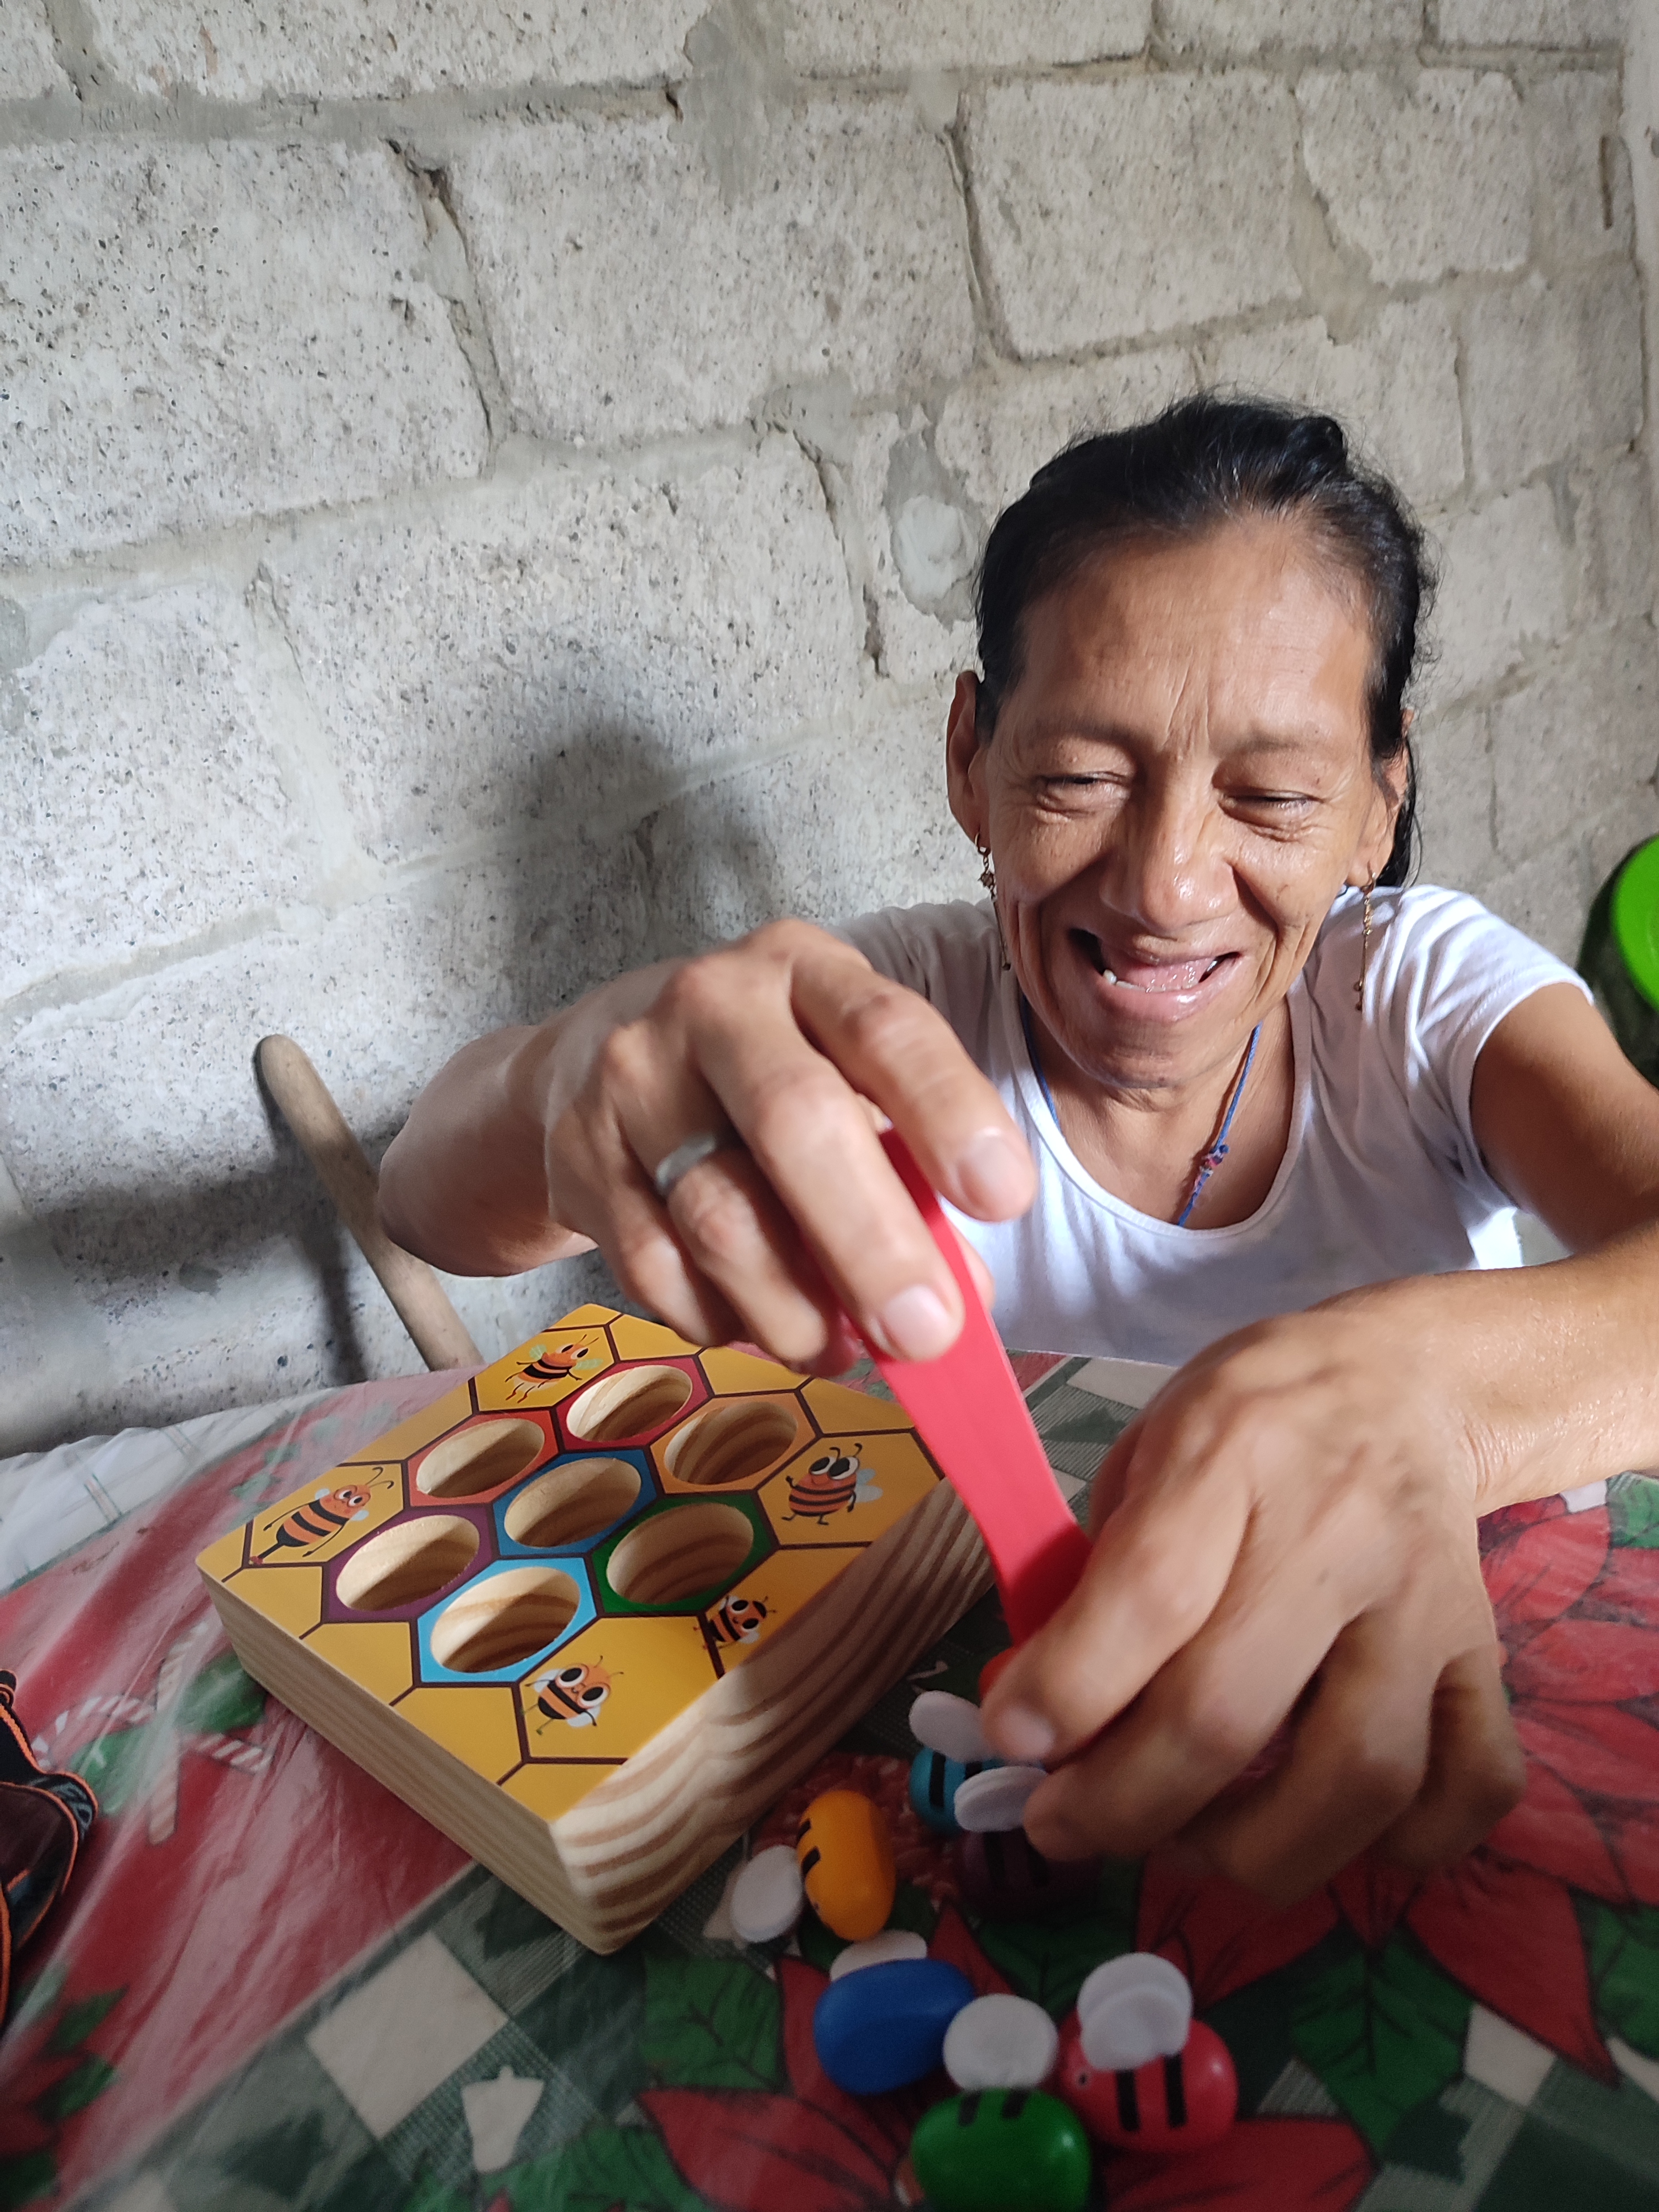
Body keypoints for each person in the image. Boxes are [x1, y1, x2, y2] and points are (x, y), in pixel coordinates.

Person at [379, 397, 1659, 1902]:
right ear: (970, 759)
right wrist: (566, 1072)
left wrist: (1424, 1400)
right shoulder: (888, 1021)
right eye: (1078, 779)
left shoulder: (1422, 997)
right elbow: (422, 1203)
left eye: (1273, 797)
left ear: (1379, 807)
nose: (1168, 886)